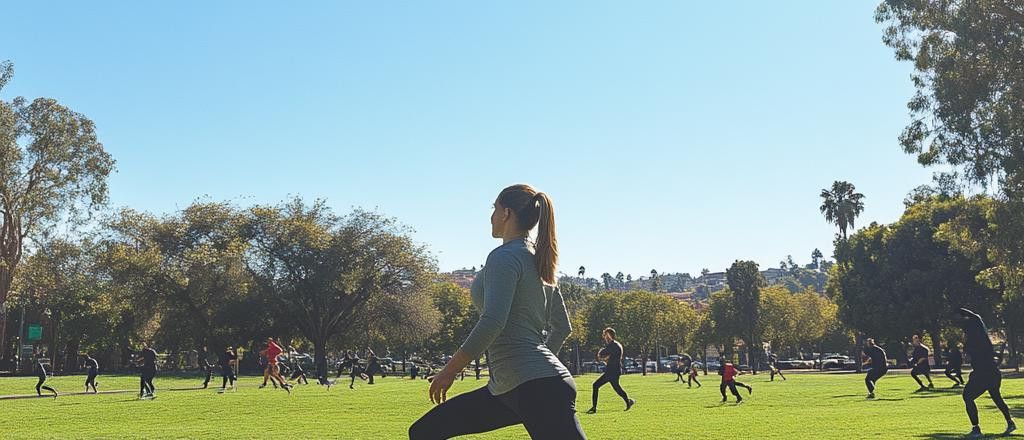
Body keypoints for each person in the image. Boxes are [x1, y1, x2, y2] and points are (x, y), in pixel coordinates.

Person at [409, 185, 585, 440]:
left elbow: (492, 322)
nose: (491, 215)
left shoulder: (505, 257)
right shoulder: (539, 259)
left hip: (536, 389)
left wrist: (449, 371)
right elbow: (563, 327)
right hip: (509, 390)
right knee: (424, 432)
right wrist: (533, 368)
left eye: (494, 208)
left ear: (506, 213)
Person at [956, 308, 1015, 438]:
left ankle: (976, 429)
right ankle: (1010, 422)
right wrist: (962, 311)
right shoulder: (984, 338)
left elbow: (968, 358)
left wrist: (957, 309)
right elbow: (977, 317)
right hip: (993, 372)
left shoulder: (971, 342)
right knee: (996, 397)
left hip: (982, 373)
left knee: (967, 397)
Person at [585, 327, 635, 414]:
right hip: (612, 371)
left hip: (612, 371)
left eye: (606, 335)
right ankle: (628, 402)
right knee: (617, 388)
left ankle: (594, 408)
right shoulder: (615, 345)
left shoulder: (614, 345)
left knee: (596, 385)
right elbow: (606, 356)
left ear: (610, 335)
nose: (605, 337)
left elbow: (602, 353)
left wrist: (601, 354)